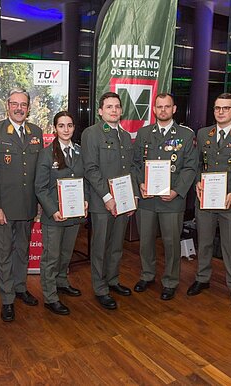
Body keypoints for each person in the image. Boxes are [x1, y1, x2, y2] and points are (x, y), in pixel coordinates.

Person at [188, 93, 231, 310]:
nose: (221, 112)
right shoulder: (202, 134)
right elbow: (196, 164)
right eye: (218, 108)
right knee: (205, 242)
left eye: (226, 108)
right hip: (206, 201)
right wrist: (197, 182)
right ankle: (202, 278)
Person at [0, 88, 43, 322]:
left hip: (28, 206)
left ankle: (20, 287)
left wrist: (38, 204)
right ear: (7, 105)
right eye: (15, 104)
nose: (19, 108)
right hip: (4, 209)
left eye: (24, 104)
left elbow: (39, 172)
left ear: (28, 108)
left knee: (22, 250)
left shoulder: (36, 132)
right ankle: (7, 298)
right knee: (3, 254)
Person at [132, 93, 198, 300]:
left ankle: (170, 280)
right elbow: (135, 164)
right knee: (146, 242)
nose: (163, 110)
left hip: (172, 200)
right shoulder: (143, 133)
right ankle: (147, 275)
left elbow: (190, 167)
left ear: (174, 109)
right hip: (147, 199)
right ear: (153, 109)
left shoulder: (186, 135)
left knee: (171, 243)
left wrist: (177, 190)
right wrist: (141, 184)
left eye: (167, 106)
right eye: (159, 107)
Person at [81, 91, 137, 310]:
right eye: (109, 107)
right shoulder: (91, 133)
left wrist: (132, 196)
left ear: (121, 110)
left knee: (116, 245)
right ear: (100, 111)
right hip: (102, 202)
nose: (114, 110)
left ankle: (112, 280)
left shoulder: (124, 136)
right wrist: (107, 197)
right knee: (100, 246)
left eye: (117, 107)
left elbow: (130, 169)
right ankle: (100, 287)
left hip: (122, 202)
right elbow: (91, 168)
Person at [35, 111, 88, 315]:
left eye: (69, 125)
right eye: (61, 126)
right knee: (51, 256)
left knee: (66, 254)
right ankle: (50, 296)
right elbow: (39, 187)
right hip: (55, 216)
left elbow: (86, 181)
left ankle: (62, 282)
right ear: (55, 128)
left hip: (74, 215)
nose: (66, 129)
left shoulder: (80, 152)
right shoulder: (46, 154)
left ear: (74, 128)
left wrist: (85, 201)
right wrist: (53, 210)